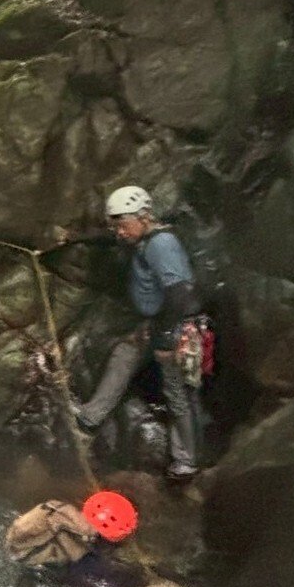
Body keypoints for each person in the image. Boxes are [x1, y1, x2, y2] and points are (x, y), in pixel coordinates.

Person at [74, 185, 204, 480]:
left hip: (176, 326)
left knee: (177, 392)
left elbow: (179, 291)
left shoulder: (161, 244)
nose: (120, 232)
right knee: (124, 354)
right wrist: (74, 238)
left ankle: (186, 462)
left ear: (143, 217)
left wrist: (164, 337)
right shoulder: (142, 238)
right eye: (116, 226)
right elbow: (110, 239)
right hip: (157, 321)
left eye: (123, 225)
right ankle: (90, 418)